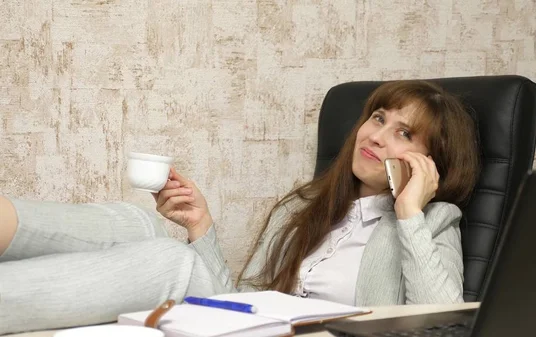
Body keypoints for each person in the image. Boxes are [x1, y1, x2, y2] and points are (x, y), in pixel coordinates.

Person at [0, 80, 480, 335]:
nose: (376, 135)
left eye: (404, 133)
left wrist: (411, 211)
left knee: (169, 261)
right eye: (378, 118)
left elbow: (438, 319)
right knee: (140, 223)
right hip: (257, 329)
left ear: (430, 160)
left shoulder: (434, 222)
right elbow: (242, 300)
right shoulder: (307, 207)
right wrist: (201, 225)